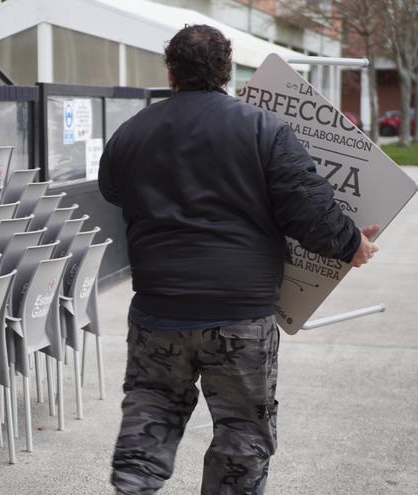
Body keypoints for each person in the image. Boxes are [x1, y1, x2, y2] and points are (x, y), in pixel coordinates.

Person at [98, 25, 379, 495]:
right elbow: (309, 209)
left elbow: (111, 189)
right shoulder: (263, 129)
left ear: (171, 72)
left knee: (149, 415)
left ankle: (132, 486)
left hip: (158, 312)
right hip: (240, 317)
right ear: (227, 71)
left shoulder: (132, 132)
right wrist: (353, 245)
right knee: (243, 436)